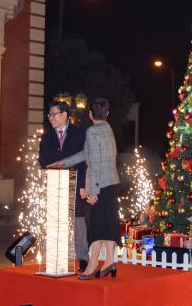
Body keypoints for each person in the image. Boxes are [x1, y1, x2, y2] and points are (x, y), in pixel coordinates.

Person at [49, 97, 120, 280]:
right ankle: (111, 262)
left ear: (90, 114)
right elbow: (86, 154)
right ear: (107, 114)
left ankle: (93, 265)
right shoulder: (108, 129)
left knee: (96, 227)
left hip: (101, 186)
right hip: (112, 183)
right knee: (109, 224)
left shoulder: (92, 132)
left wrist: (93, 190)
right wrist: (63, 163)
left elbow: (94, 163)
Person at [38, 101, 90, 271]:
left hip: (75, 182)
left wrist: (83, 184)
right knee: (56, 221)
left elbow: (84, 161)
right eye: (49, 115)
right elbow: (42, 160)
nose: (50, 118)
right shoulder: (47, 136)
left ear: (64, 115)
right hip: (55, 183)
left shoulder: (79, 134)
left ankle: (83, 258)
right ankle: (56, 258)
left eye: (54, 114)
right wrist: (55, 164)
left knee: (78, 220)